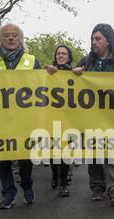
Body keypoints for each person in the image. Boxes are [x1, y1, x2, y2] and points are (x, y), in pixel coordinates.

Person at [0, 23, 40, 209]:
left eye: (14, 35)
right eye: (7, 35)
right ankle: (8, 193)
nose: (11, 38)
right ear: (0, 39)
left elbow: (44, 84)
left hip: (24, 118)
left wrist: (51, 73)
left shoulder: (32, 60)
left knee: (24, 157)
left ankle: (27, 186)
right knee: (2, 157)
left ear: (20, 38)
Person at [73, 23, 114, 204]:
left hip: (113, 118)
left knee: (111, 150)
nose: (94, 42)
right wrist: (74, 74)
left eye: (98, 38)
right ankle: (97, 187)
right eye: (92, 38)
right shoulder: (85, 62)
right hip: (91, 118)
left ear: (108, 41)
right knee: (94, 154)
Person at [46, 45, 74, 197]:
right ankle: (55, 174)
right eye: (58, 53)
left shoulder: (74, 73)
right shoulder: (47, 73)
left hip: (69, 118)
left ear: (69, 57)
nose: (61, 56)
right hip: (52, 117)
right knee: (53, 152)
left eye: (64, 53)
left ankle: (63, 183)